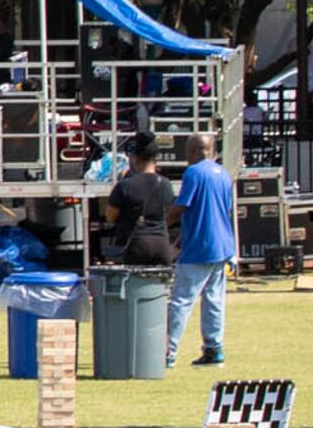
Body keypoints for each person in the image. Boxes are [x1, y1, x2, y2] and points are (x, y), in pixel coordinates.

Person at [166, 129, 236, 369]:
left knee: (181, 301)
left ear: (195, 151)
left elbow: (182, 205)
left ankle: (167, 351)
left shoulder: (193, 172)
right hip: (222, 245)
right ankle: (213, 350)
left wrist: (159, 224)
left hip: (200, 246)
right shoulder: (224, 175)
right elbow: (221, 210)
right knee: (214, 300)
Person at [101, 131, 178, 271]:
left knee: (134, 290)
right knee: (161, 292)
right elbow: (169, 213)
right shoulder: (166, 184)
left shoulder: (125, 186)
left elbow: (111, 217)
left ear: (135, 159)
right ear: (156, 159)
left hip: (134, 246)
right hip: (162, 246)